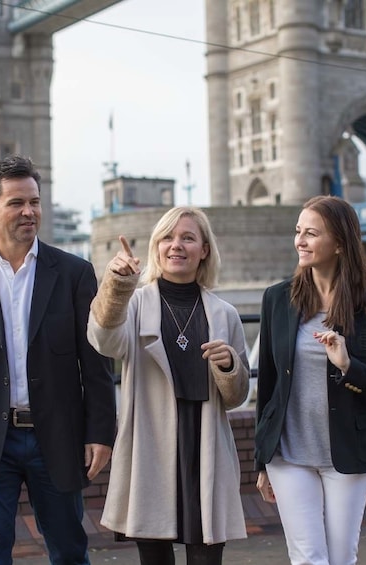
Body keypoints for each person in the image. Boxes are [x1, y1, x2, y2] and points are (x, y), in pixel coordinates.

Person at [0, 155, 116, 565]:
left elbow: (96, 362)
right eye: (16, 203)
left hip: (58, 437)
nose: (29, 211)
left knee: (69, 551)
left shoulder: (74, 274)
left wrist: (101, 432)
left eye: (34, 201)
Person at [254, 195, 366, 565]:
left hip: (349, 454)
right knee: (308, 558)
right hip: (288, 455)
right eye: (298, 232)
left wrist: (349, 366)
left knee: (340, 558)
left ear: (339, 243)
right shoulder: (277, 299)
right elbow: (269, 385)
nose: (300, 241)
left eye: (311, 233)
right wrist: (262, 460)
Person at [87, 206, 250, 565]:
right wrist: (116, 286)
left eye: (188, 238)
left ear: (204, 250)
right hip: (151, 443)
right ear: (156, 248)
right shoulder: (135, 302)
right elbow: (104, 342)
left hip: (205, 444)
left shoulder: (225, 314)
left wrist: (228, 366)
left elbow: (238, 396)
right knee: (155, 557)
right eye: (167, 238)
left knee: (207, 558)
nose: (176, 246)